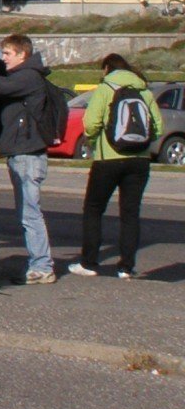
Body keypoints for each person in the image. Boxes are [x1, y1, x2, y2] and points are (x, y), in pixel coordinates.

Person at [70, 52, 163, 278]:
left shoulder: (105, 89)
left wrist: (94, 142)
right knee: (130, 213)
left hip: (108, 158)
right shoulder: (144, 91)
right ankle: (126, 267)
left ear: (107, 69)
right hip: (139, 161)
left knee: (94, 208)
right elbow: (158, 127)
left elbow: (91, 123)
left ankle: (89, 263)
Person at [0, 32, 57, 284]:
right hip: (22, 152)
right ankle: (40, 264)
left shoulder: (27, 77)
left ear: (22, 54)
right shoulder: (24, 75)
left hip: (28, 153)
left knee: (30, 213)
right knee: (27, 211)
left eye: (7, 53)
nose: (4, 58)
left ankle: (42, 266)